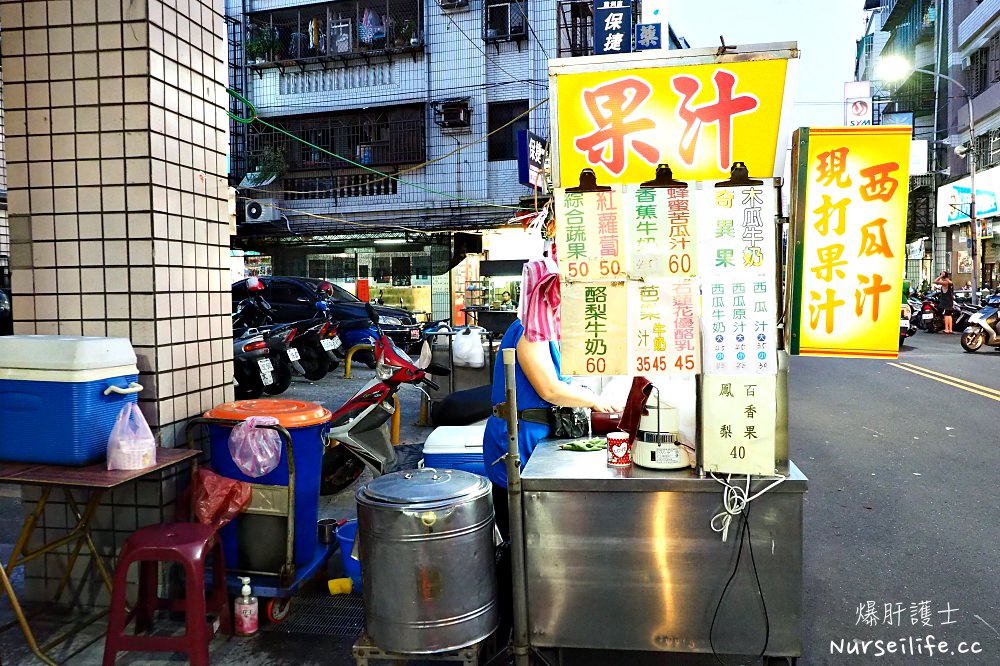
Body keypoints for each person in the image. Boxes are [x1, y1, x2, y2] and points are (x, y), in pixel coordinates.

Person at [482, 318, 621, 641]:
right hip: (518, 439)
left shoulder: (552, 331)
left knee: (532, 538)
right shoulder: (530, 330)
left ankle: (533, 617)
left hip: (536, 436)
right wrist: (595, 400)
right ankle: (513, 626)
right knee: (520, 538)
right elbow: (549, 388)